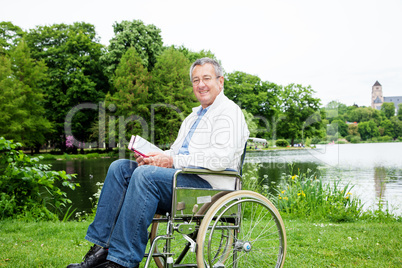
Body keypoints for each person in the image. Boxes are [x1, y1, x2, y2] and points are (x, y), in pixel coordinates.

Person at [66, 58, 249, 268]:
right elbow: (176, 151)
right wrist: (154, 157)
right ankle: (103, 248)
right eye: (196, 80)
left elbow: (220, 158)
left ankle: (123, 261)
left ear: (220, 81)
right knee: (121, 169)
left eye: (206, 78)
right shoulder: (192, 117)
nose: (200, 85)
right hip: (180, 180)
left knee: (145, 176)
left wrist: (171, 160)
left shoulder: (230, 112)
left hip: (211, 188)